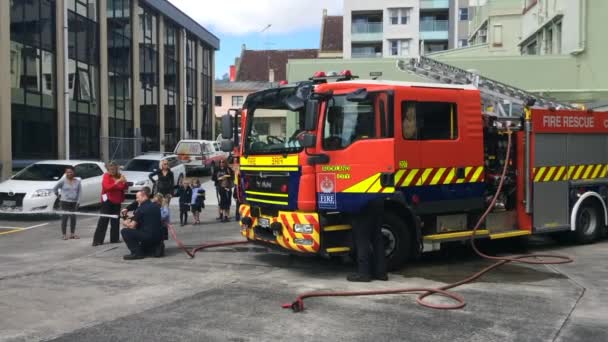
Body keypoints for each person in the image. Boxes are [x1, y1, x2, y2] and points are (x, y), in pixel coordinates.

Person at [347, 199, 388, 282]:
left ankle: (363, 273)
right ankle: (381, 273)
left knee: (362, 239)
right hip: (377, 200)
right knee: (377, 238)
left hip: (363, 201)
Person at [120, 190, 163, 260]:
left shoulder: (141, 209)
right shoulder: (155, 206)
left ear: (144, 196)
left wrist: (125, 221)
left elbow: (132, 226)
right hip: (158, 236)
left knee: (125, 231)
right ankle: (154, 247)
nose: (137, 200)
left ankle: (136, 253)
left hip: (148, 235)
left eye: (137, 198)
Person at [93, 162, 128, 246]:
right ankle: (97, 240)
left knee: (115, 221)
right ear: (108, 169)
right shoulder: (106, 176)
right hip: (107, 201)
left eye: (115, 169)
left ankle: (114, 239)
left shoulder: (119, 176)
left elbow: (124, 188)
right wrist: (117, 182)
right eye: (111, 169)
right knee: (103, 220)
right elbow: (106, 187)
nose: (113, 171)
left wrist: (124, 182)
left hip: (117, 201)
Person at [53, 166, 82, 240]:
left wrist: (78, 202)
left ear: (73, 172)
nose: (69, 173)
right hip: (64, 202)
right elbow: (55, 189)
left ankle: (72, 234)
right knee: (65, 218)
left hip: (74, 202)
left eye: (71, 172)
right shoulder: (62, 181)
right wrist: (59, 196)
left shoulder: (77, 181)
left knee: (73, 218)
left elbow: (79, 193)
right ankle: (64, 234)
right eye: (67, 172)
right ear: (65, 173)